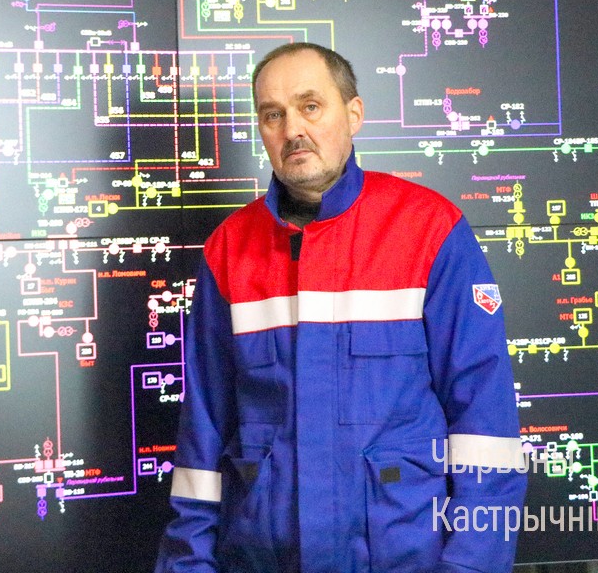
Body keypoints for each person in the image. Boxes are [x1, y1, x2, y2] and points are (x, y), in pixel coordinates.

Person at [155, 43, 526, 573]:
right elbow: (203, 436)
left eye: (310, 106)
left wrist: (472, 565)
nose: (292, 129)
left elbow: (485, 425)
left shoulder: (429, 231)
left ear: (353, 114)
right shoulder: (229, 251)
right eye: (272, 114)